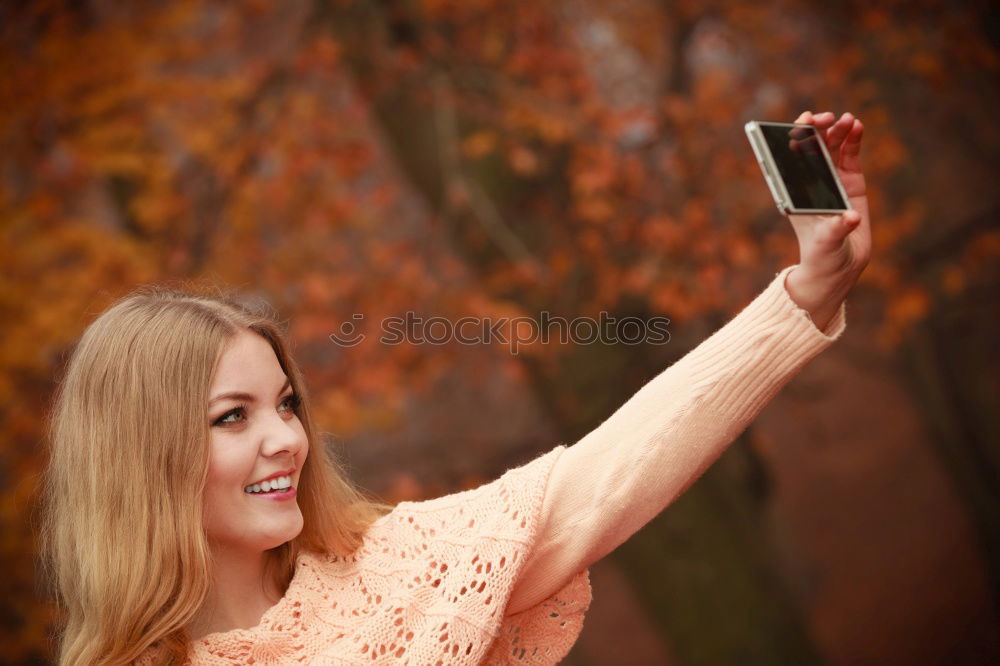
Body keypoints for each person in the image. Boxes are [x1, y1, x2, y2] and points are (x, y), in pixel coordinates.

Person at [39, 110, 868, 665]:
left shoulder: (403, 576)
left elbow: (605, 476)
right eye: (233, 417)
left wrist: (801, 297)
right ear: (140, 458)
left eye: (286, 403)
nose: (286, 438)